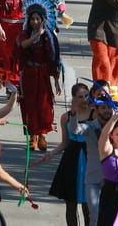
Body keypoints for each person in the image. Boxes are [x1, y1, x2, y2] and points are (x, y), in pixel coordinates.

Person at [17, 0, 61, 151]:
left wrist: (55, 79)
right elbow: (22, 46)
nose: (34, 22)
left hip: (42, 75)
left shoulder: (48, 37)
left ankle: (42, 134)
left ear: (43, 20)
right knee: (29, 105)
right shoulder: (25, 34)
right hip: (28, 74)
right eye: (32, 19)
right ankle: (32, 136)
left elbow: (53, 58)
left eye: (37, 19)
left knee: (44, 105)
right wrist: (37, 34)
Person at [66, 84, 113, 225]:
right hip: (93, 178)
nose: (106, 111)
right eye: (103, 108)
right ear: (97, 110)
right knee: (94, 214)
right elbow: (75, 130)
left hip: (112, 179)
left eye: (109, 107)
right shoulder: (91, 126)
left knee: (110, 214)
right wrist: (73, 114)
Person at [47, 82, 92, 224]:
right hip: (71, 161)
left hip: (89, 160)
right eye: (80, 97)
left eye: (86, 96)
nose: (84, 99)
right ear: (73, 98)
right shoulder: (66, 117)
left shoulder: (95, 114)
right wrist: (52, 153)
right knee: (71, 204)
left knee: (88, 204)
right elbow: (65, 142)